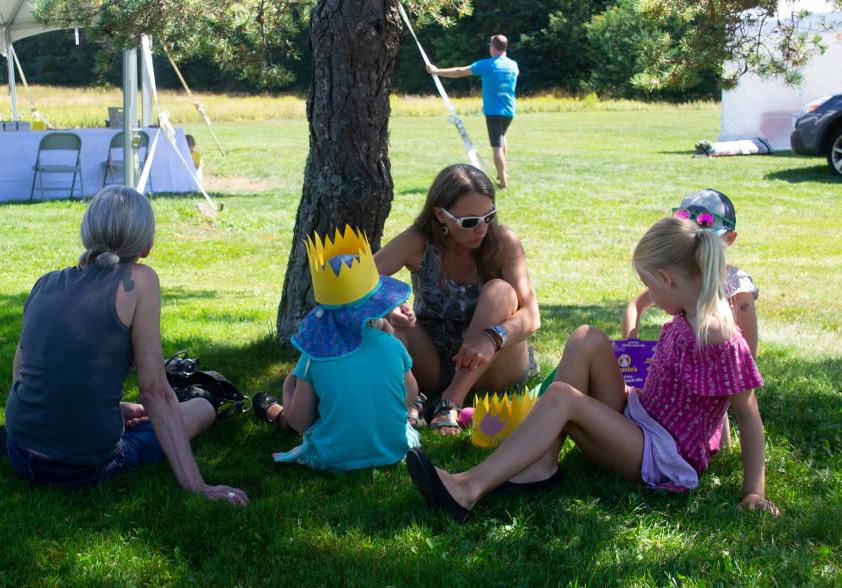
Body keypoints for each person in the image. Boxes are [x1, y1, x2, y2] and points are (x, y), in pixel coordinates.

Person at [0, 187, 249, 504]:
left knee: (131, 412)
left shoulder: (44, 283)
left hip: (20, 449)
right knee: (200, 408)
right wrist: (199, 487)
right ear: (147, 245)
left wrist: (110, 406)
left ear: (87, 234)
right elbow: (155, 390)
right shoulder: (139, 280)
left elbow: (22, 377)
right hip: (80, 468)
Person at [405, 216, 779, 522]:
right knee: (587, 337)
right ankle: (542, 465)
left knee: (563, 398)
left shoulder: (716, 335)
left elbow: (748, 415)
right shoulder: (688, 312)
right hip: (642, 416)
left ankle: (466, 489)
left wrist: (753, 492)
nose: (648, 294)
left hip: (665, 453)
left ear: (667, 278)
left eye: (649, 283)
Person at [374, 164, 540, 436]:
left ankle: (451, 400)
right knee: (396, 322)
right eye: (470, 222)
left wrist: (492, 337)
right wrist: (389, 308)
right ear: (441, 215)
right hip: (436, 363)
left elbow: (532, 316)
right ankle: (408, 397)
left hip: (496, 365)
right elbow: (361, 281)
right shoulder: (419, 241)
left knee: (499, 291)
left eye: (489, 216)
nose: (482, 229)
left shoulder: (503, 242)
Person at [254, 226, 421, 471]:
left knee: (301, 410)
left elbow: (300, 422)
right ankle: (273, 411)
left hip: (333, 458)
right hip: (394, 450)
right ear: (376, 307)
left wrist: (288, 387)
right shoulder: (393, 346)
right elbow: (410, 396)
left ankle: (274, 411)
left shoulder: (316, 356)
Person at [622, 188, 758, 447]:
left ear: (729, 239)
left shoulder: (735, 288)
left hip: (687, 422)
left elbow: (744, 362)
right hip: (662, 404)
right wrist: (631, 358)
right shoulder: (683, 283)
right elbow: (635, 306)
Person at [427, 34, 519, 188]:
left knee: (496, 146)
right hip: (509, 110)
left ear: (493, 48)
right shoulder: (513, 65)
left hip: (493, 111)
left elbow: (459, 71)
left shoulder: (487, 65)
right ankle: (502, 173)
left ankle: (503, 181)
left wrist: (437, 71)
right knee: (502, 137)